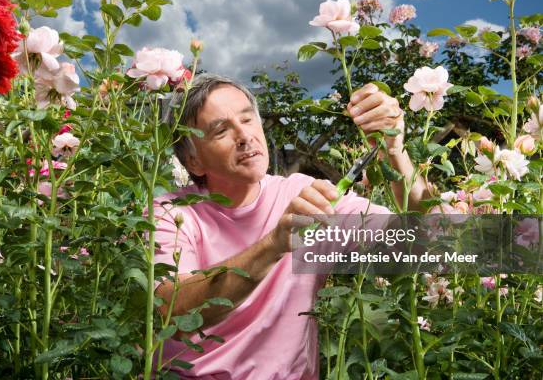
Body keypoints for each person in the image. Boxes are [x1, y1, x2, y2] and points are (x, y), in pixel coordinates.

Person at [151, 73, 429, 379]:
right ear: (193, 161)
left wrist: (395, 151)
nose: (245, 136)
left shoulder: (305, 195)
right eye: (221, 131)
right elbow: (171, 309)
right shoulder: (173, 212)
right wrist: (274, 244)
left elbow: (426, 244)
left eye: (248, 119)